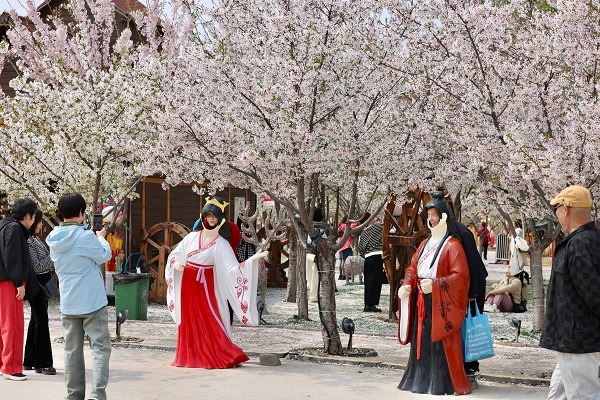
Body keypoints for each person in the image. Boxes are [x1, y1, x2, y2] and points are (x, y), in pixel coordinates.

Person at [165, 197, 267, 369]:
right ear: (203, 216)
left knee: (209, 317)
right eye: (208, 215)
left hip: (205, 285)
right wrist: (176, 263)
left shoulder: (221, 243)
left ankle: (218, 352)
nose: (211, 219)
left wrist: (251, 261)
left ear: (221, 219)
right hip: (187, 284)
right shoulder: (191, 237)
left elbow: (232, 269)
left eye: (215, 216)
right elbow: (176, 254)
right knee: (188, 319)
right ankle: (189, 355)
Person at [397, 192, 471, 395]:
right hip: (422, 298)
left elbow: (461, 276)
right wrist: (407, 284)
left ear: (444, 217)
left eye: (434, 214)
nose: (430, 219)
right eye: (428, 215)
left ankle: (442, 382)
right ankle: (420, 378)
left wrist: (437, 285)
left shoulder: (453, 246)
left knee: (439, 343)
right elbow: (413, 268)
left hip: (439, 302)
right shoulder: (424, 244)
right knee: (421, 340)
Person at [46, 193, 112, 400]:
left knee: (72, 351)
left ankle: (74, 395)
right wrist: (101, 239)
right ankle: (96, 396)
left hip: (69, 302)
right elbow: (104, 256)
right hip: (92, 301)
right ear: (82, 213)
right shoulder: (85, 237)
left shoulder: (53, 238)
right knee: (100, 348)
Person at [541, 185, 600, 400]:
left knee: (583, 395)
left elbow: (594, 293)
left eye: (557, 209)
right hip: (576, 339)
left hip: (578, 339)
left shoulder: (578, 245)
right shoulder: (593, 239)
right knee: (560, 394)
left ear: (565, 209)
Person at [0, 198, 37, 381]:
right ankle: (12, 367)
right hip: (10, 282)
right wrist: (19, 283)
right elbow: (13, 258)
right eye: (33, 217)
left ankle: (3, 363)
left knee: (3, 325)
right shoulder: (14, 229)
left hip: (2, 281)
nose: (33, 221)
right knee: (13, 325)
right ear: (27, 215)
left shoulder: (3, 225)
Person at [23, 209, 56, 375]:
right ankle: (43, 363)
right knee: (41, 321)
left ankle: (29, 361)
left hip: (41, 284)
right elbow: (36, 267)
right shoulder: (29, 241)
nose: (42, 225)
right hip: (37, 285)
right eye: (40, 221)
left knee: (35, 322)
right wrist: (54, 258)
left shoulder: (35, 239)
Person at [455, 218, 488, 377]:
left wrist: (472, 293)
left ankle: (470, 365)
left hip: (473, 286)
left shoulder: (462, 232)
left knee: (471, 326)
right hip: (463, 285)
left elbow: (473, 264)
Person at [358, 217, 384, 312]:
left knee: (368, 282)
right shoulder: (378, 228)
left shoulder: (363, 232)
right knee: (375, 281)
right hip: (376, 255)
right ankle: (371, 305)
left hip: (367, 257)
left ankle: (367, 304)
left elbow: (360, 248)